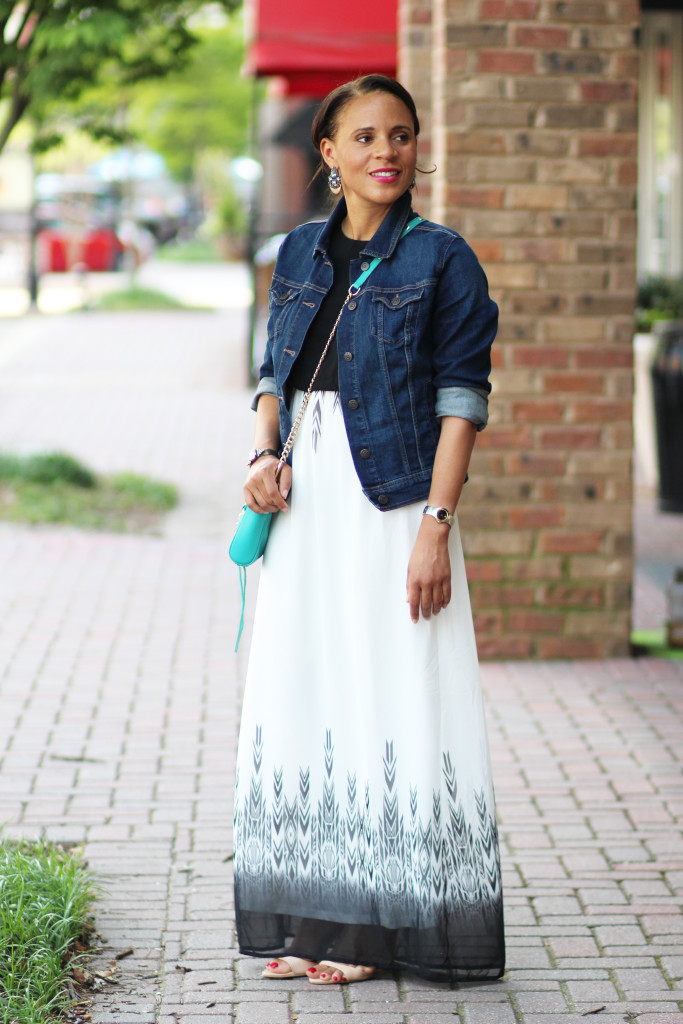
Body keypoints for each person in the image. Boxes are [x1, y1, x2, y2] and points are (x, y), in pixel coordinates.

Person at [233, 74, 504, 985]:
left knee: (388, 689)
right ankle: (314, 919)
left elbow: (462, 399)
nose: (385, 151)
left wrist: (436, 523)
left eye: (400, 135)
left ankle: (376, 933)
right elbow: (275, 370)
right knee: (309, 685)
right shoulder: (300, 251)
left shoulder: (442, 257)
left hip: (392, 496)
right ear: (329, 154)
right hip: (305, 502)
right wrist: (262, 457)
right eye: (364, 137)